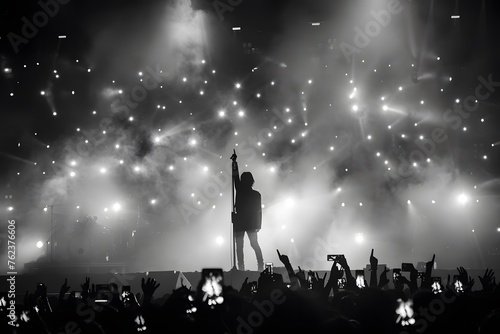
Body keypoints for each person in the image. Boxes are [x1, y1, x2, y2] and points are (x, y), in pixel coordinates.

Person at [231, 151, 264, 271]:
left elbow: (235, 177)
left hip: (243, 222)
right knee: (250, 245)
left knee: (241, 246)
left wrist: (234, 163)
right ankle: (258, 266)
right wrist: (234, 163)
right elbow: (259, 212)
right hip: (248, 222)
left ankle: (243, 267)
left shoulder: (243, 191)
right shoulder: (255, 194)